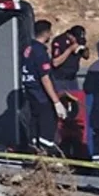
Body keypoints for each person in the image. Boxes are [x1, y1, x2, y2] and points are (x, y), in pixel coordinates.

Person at [20, 20, 67, 153]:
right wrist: (56, 102)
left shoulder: (27, 49)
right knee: (46, 129)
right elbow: (45, 78)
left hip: (31, 94)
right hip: (42, 96)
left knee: (34, 127)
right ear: (46, 33)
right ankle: (46, 156)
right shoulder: (40, 51)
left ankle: (35, 153)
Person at [51, 25, 90, 94]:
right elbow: (55, 63)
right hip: (60, 78)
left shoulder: (80, 41)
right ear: (70, 35)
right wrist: (70, 49)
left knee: (76, 100)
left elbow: (86, 57)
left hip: (72, 78)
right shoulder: (60, 41)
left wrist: (84, 49)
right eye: (76, 39)